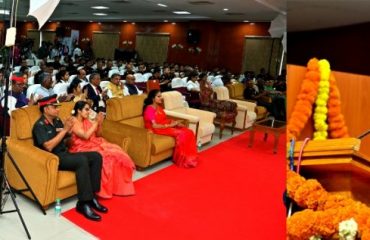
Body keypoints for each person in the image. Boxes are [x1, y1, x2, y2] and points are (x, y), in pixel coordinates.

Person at [32, 95, 107, 221]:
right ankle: (83, 203)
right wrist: (64, 130)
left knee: (96, 156)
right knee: (82, 161)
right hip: (53, 158)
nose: (58, 109)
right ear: (46, 109)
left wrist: (69, 135)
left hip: (65, 153)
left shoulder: (57, 121)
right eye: (54, 107)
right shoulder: (39, 125)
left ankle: (92, 196)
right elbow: (48, 147)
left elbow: (65, 140)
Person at [68, 101, 136, 198]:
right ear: (79, 110)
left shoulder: (86, 120)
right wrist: (96, 122)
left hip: (93, 143)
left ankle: (116, 187)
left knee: (117, 151)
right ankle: (104, 190)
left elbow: (98, 134)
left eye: (89, 109)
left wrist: (99, 123)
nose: (88, 112)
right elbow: (85, 136)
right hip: (80, 148)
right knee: (108, 157)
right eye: (86, 109)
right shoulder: (73, 121)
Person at [143, 89, 198, 168]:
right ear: (152, 98)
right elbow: (154, 125)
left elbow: (164, 119)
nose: (161, 98)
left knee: (189, 131)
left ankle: (190, 157)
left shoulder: (159, 107)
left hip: (164, 125)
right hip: (156, 129)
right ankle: (182, 159)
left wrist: (175, 123)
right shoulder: (149, 109)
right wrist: (170, 125)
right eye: (158, 96)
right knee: (181, 134)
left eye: (161, 96)